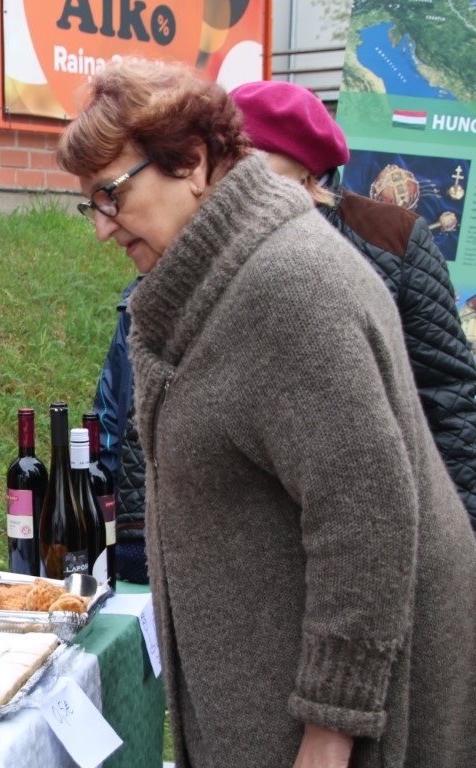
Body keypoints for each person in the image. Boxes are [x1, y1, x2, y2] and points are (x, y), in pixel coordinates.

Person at [56, 59, 476, 767]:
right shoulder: (219, 275)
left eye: (110, 195)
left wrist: (330, 729)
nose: (101, 227)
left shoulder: (288, 286)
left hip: (336, 720)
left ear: (190, 163)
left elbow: (366, 514)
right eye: (88, 203)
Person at [231, 79, 476, 534]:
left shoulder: (394, 236)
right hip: (254, 528)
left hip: (377, 518)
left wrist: (461, 530)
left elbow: (446, 392)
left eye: (245, 161)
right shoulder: (213, 237)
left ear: (300, 164)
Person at [92, 276, 148, 583]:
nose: (105, 233)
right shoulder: (133, 305)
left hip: (205, 544)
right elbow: (107, 419)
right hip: (132, 538)